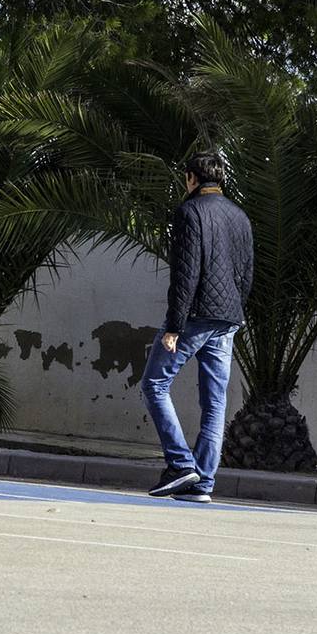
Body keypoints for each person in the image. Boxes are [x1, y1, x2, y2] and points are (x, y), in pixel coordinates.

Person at [141, 151, 253, 503]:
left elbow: (185, 273)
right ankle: (202, 484)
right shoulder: (240, 216)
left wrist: (174, 326)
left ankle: (180, 464)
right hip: (228, 319)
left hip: (195, 317)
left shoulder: (188, 213)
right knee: (215, 403)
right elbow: (247, 274)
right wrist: (234, 310)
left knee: (154, 383)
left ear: (191, 178)